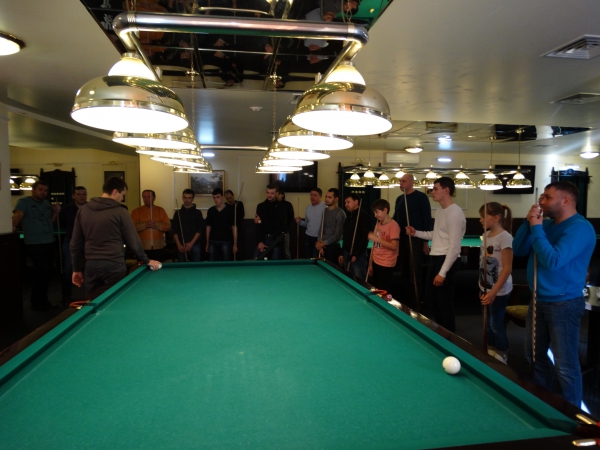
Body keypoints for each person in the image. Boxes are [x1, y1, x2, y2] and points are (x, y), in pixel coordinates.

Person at [513, 181, 596, 407]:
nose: (541, 201)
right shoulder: (546, 225)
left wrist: (536, 228)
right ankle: (545, 405)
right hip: (538, 300)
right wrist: (528, 223)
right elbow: (519, 249)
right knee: (534, 356)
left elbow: (553, 260)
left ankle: (573, 414)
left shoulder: (580, 228)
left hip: (564, 303)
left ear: (566, 201)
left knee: (565, 364)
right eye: (542, 197)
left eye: (548, 197)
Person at [70, 177, 161, 299]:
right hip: (114, 265)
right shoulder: (121, 212)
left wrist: (76, 269)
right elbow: (133, 241)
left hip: (91, 265)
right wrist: (147, 260)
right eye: (122, 194)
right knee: (114, 301)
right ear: (115, 192)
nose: (122, 198)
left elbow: (74, 244)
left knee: (91, 301)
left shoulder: (83, 210)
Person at [405, 177, 465, 332]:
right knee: (431, 299)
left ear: (446, 190)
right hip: (436, 258)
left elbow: (454, 247)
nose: (432, 192)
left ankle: (449, 335)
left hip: (446, 259)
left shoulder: (455, 213)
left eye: (435, 189)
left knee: (444, 301)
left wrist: (442, 273)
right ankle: (442, 330)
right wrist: (416, 233)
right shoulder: (440, 210)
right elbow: (435, 234)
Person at [12, 180, 61, 311]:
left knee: (47, 273)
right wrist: (12, 228)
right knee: (41, 272)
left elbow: (51, 221)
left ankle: (43, 300)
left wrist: (56, 212)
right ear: (33, 190)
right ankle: (36, 301)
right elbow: (18, 215)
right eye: (40, 189)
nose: (43, 192)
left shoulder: (46, 203)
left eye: (45, 190)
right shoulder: (23, 202)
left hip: (49, 241)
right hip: (34, 243)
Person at [478, 202, 513, 364]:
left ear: (496, 217)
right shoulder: (485, 235)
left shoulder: (505, 237)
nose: (480, 220)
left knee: (496, 323)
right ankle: (491, 350)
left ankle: (501, 353)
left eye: (483, 217)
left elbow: (507, 268)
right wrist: (481, 286)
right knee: (487, 322)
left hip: (499, 290)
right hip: (485, 287)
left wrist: (493, 292)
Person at [392, 173, 432, 309]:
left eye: (403, 181)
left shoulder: (421, 197)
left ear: (411, 182)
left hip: (416, 239)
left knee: (415, 272)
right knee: (404, 272)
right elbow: (395, 220)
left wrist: (425, 242)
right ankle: (406, 303)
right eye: (400, 181)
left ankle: (416, 304)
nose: (400, 183)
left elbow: (427, 219)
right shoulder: (399, 199)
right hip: (402, 239)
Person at [58, 186, 87, 305]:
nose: (82, 196)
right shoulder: (66, 209)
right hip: (70, 241)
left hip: (87, 241)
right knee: (69, 268)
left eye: (84, 194)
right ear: (73, 196)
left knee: (92, 266)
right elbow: (62, 223)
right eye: (79, 194)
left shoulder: (90, 208)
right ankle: (67, 295)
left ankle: (92, 294)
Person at [367, 199, 400, 293]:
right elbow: (374, 246)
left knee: (383, 291)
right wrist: (370, 264)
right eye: (374, 213)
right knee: (376, 289)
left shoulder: (393, 225)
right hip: (375, 261)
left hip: (386, 263)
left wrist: (377, 239)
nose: (375, 215)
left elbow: (394, 246)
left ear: (385, 210)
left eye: (377, 212)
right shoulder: (378, 224)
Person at [131, 190, 171, 262]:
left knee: (158, 266)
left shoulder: (160, 210)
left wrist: (156, 225)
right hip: (142, 247)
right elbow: (131, 228)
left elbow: (168, 226)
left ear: (154, 198)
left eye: (149, 197)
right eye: (144, 197)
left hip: (158, 247)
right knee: (143, 266)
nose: (146, 199)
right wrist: (145, 225)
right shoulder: (136, 212)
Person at [339, 193, 370, 281]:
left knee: (359, 280)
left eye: (348, 202)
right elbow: (345, 236)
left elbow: (365, 238)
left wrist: (356, 254)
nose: (346, 205)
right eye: (345, 203)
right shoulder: (349, 216)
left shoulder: (364, 216)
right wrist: (342, 252)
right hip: (347, 253)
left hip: (358, 256)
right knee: (348, 280)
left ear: (356, 202)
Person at [254, 184, 288, 260]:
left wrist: (261, 221)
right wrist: (260, 241)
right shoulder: (260, 206)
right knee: (256, 263)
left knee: (274, 265)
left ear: (277, 193)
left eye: (272, 193)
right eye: (268, 193)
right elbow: (258, 226)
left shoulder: (282, 207)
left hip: (276, 240)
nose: (269, 195)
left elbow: (278, 224)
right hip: (263, 238)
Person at [172, 189, 204, 262]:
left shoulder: (198, 213)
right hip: (181, 244)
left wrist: (191, 244)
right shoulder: (178, 213)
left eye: (189, 198)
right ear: (182, 198)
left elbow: (200, 229)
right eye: (185, 197)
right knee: (182, 267)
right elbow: (174, 230)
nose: (187, 200)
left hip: (195, 244)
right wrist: (178, 244)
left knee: (196, 266)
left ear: (192, 199)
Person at [206, 188, 236, 261]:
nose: (216, 199)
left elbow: (234, 227)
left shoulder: (230, 210)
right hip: (213, 241)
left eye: (218, 197)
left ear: (222, 197)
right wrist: (207, 243)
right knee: (212, 263)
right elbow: (208, 227)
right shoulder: (211, 210)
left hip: (226, 241)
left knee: (226, 264)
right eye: (214, 198)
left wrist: (235, 244)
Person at [316, 188, 345, 263]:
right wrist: (319, 243)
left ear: (336, 199)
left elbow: (337, 235)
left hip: (333, 247)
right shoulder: (325, 211)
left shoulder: (340, 213)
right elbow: (321, 228)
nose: (326, 199)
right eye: (326, 197)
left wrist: (323, 243)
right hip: (322, 246)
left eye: (329, 197)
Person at [296, 188, 326, 259]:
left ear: (320, 196)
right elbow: (307, 223)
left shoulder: (325, 207)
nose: (312, 197)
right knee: (308, 258)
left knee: (315, 258)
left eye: (315, 195)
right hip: (308, 236)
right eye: (311, 195)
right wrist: (300, 222)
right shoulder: (308, 208)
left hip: (319, 238)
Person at [277, 189, 295, 259]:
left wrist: (286, 230)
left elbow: (291, 218)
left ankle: (289, 263)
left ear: (282, 195)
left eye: (278, 194)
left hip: (285, 230)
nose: (276, 195)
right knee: (276, 250)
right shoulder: (273, 204)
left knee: (286, 251)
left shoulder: (288, 204)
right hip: (275, 231)